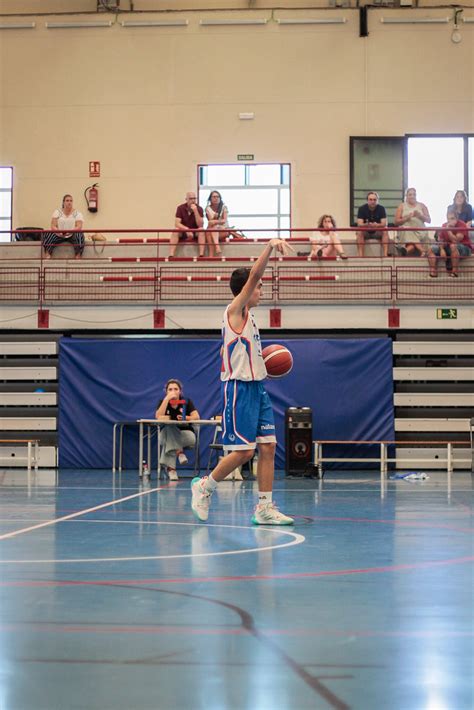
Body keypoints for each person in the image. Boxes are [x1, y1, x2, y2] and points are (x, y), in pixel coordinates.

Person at [191, 238, 295, 526]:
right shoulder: (233, 311)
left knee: (269, 447)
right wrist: (270, 247)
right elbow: (255, 275)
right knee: (244, 451)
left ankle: (264, 508)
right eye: (258, 287)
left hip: (257, 387)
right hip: (237, 388)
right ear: (245, 290)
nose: (261, 291)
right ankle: (204, 486)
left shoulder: (250, 318)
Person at [155, 379, 200, 480]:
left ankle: (171, 470)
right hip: (164, 435)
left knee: (169, 438)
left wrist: (186, 418)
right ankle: (180, 452)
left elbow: (196, 416)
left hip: (186, 435)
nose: (173, 391)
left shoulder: (187, 401)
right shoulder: (162, 402)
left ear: (180, 391)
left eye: (176, 389)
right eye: (170, 389)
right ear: (166, 391)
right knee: (170, 427)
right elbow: (158, 416)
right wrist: (167, 400)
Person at [428, 209, 472, 278]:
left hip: (464, 248)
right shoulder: (444, 225)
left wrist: (448, 230)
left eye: (452, 218)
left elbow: (456, 240)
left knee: (453, 245)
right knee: (431, 249)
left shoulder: (462, 224)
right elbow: (441, 240)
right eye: (448, 219)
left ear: (457, 218)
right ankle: (433, 273)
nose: (450, 221)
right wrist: (442, 249)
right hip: (449, 247)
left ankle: (454, 272)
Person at [42, 194, 85, 259]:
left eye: (71, 201)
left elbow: (79, 226)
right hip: (59, 234)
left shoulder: (77, 213)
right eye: (67, 200)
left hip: (72, 234)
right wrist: (59, 232)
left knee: (80, 235)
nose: (69, 202)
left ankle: (78, 254)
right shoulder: (57, 212)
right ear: (63, 202)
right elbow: (53, 226)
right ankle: (47, 253)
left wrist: (70, 232)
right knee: (48, 234)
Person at [394, 188, 431, 257]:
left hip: (420, 232)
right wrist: (407, 218)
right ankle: (422, 250)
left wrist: (420, 216)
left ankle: (406, 251)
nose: (412, 196)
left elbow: (429, 220)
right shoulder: (401, 206)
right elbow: (396, 222)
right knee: (407, 229)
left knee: (412, 246)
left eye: (414, 194)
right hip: (406, 232)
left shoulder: (422, 205)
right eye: (410, 194)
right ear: (406, 196)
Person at [172, 192, 205, 258]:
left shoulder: (199, 209)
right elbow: (177, 223)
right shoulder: (180, 208)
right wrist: (186, 229)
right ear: (186, 199)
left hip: (195, 231)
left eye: (194, 198)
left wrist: (196, 211)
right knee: (175, 230)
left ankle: (201, 254)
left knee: (201, 230)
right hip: (184, 231)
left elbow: (200, 224)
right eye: (191, 199)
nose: (193, 201)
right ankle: (171, 254)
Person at [356, 191, 388, 258]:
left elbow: (384, 223)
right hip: (366, 231)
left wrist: (377, 225)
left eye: (374, 200)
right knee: (359, 231)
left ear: (377, 200)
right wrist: (367, 225)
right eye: (370, 199)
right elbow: (359, 224)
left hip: (377, 231)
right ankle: (360, 256)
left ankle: (385, 255)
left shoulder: (381, 208)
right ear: (367, 200)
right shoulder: (361, 208)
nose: (372, 201)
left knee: (385, 230)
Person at [205, 190, 228, 257]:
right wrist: (214, 219)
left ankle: (212, 254)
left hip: (223, 229)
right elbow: (210, 221)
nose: (216, 198)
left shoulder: (224, 207)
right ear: (210, 199)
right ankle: (216, 248)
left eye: (218, 197)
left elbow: (224, 220)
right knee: (210, 231)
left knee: (210, 230)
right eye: (214, 197)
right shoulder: (208, 208)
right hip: (213, 230)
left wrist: (215, 221)